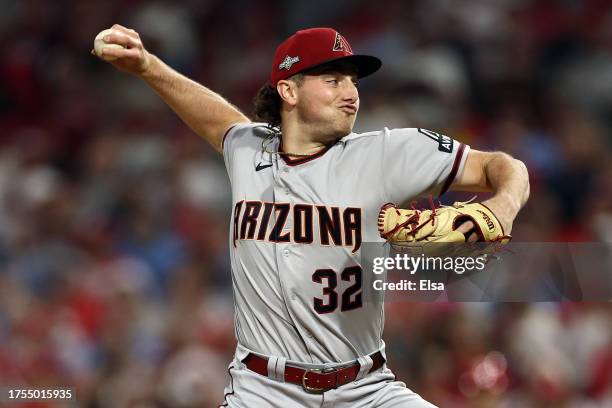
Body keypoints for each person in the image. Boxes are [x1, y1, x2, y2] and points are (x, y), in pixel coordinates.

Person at [94, 25, 530, 407]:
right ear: (289, 90)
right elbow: (214, 118)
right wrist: (149, 67)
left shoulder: (387, 152)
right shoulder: (248, 149)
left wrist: (502, 206)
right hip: (263, 389)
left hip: (366, 388)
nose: (351, 93)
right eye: (332, 79)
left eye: (353, 81)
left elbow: (504, 167)